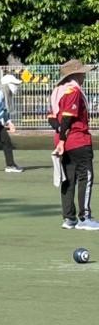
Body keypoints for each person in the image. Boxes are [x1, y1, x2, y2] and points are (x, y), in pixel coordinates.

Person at [51, 59, 98, 230]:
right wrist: (63, 139)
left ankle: (69, 218)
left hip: (63, 140)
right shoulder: (73, 91)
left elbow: (52, 118)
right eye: (83, 73)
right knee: (86, 177)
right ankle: (84, 218)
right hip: (77, 139)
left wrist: (60, 137)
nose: (84, 75)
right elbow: (67, 117)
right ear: (76, 74)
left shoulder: (57, 90)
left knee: (68, 179)